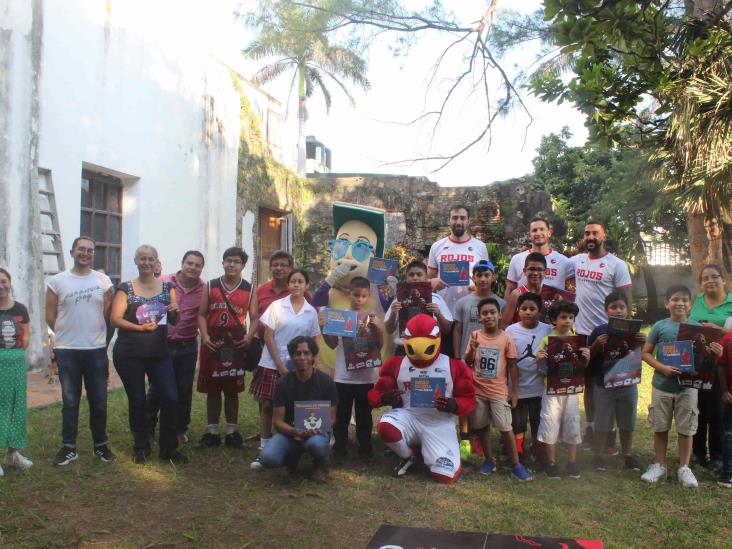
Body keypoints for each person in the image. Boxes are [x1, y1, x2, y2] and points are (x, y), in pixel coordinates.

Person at [369, 314, 476, 483]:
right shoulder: (396, 364)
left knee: (444, 476)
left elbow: (469, 399)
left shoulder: (453, 366)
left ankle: (425, 450)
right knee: (386, 426)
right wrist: (383, 398)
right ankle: (409, 456)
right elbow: (374, 395)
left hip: (439, 423)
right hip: (409, 417)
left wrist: (454, 405)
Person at [640, 284, 723, 488]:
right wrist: (662, 368)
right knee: (660, 426)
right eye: (675, 299)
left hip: (688, 388)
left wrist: (717, 353)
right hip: (662, 386)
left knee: (686, 428)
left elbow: (706, 359)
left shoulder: (698, 328)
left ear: (690, 304)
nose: (680, 303)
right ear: (666, 303)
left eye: (685, 300)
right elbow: (645, 353)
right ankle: (660, 465)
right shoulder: (660, 326)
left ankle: (684, 468)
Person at [110, 245, 185, 464]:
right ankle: (141, 446)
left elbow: (174, 320)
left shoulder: (167, 288)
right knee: (138, 399)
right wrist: (140, 328)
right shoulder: (126, 288)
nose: (146, 262)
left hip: (159, 353)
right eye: (142, 259)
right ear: (136, 261)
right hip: (129, 353)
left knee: (170, 397)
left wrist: (175, 312)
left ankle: (168, 449)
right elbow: (115, 319)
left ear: (156, 262)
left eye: (150, 259)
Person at [45, 236, 115, 466]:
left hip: (95, 350)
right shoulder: (57, 281)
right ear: (73, 251)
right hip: (68, 351)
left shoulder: (103, 281)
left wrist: (103, 343)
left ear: (93, 254)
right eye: (81, 249)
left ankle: (100, 446)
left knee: (99, 401)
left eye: (90, 250)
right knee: (70, 401)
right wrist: (66, 335)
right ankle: (69, 448)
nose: (86, 253)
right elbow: (50, 314)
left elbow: (109, 315)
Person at [250, 269, 322, 468]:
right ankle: (264, 446)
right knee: (267, 405)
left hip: (299, 367)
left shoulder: (311, 312)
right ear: (288, 285)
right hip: (272, 364)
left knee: (296, 407)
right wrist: (280, 366)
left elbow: (315, 339)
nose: (296, 285)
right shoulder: (276, 306)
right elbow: (268, 337)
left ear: (307, 285)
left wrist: (314, 362)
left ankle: (297, 444)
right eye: (292, 282)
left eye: (300, 282)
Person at [571, 221, 633, 450]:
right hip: (584, 334)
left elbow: (627, 298)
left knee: (612, 383)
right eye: (587, 233)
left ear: (603, 236)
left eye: (595, 233)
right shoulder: (576, 261)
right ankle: (590, 430)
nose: (590, 237)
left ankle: (611, 434)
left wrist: (626, 331)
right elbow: (552, 269)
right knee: (588, 385)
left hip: (611, 334)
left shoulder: (616, 264)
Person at [195, 247, 257, 450]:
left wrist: (249, 336)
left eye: (236, 261)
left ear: (243, 265)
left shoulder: (249, 289)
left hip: (235, 344)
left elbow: (255, 317)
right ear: (223, 263)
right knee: (212, 390)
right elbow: (201, 314)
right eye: (228, 260)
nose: (231, 264)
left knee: (232, 391)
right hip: (212, 344)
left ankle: (232, 432)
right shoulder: (211, 285)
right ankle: (212, 432)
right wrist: (204, 336)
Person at [464, 298, 532, 481]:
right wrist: (471, 349)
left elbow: (512, 366)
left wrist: (515, 391)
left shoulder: (506, 338)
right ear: (479, 317)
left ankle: (516, 464)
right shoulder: (476, 336)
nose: (489, 316)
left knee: (505, 427)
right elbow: (468, 361)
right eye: (484, 313)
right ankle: (489, 460)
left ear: (500, 315)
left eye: (492, 312)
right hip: (478, 391)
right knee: (481, 426)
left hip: (498, 392)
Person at [321, 276, 383, 462]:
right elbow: (332, 344)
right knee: (341, 416)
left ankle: (365, 449)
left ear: (368, 296)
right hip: (342, 377)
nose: (359, 299)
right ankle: (340, 448)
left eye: (363, 296)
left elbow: (378, 346)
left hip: (365, 378)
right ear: (349, 294)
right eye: (356, 295)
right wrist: (324, 327)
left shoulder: (372, 317)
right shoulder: (340, 317)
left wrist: (378, 329)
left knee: (364, 417)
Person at [259, 336, 338, 482]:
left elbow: (332, 418)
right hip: (290, 433)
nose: (302, 357)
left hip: (316, 433)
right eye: (298, 353)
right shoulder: (283, 383)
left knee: (317, 445)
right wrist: (295, 432)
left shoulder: (326, 382)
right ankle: (293, 456)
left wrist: (319, 428)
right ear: (292, 356)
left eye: (307, 353)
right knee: (267, 459)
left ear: (313, 356)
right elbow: (277, 421)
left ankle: (321, 464)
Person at [146, 251, 205, 445]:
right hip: (163, 345)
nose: (192, 267)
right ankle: (148, 428)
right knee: (156, 389)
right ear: (182, 263)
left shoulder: (204, 290)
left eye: (197, 265)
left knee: (184, 389)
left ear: (201, 269)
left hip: (187, 346)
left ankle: (180, 429)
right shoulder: (163, 282)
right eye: (189, 263)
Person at [587, 292, 645, 472]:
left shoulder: (634, 332)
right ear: (606, 311)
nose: (618, 311)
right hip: (603, 384)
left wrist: (642, 343)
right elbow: (587, 357)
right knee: (602, 422)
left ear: (628, 310)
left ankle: (627, 454)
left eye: (621, 307)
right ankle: (598, 455)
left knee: (627, 422)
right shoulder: (599, 331)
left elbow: (638, 356)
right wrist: (596, 344)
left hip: (628, 383)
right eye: (614, 307)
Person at [452, 259, 503, 460]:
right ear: (472, 277)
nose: (482, 279)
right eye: (478, 275)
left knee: (486, 401)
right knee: (464, 401)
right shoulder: (463, 302)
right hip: (466, 359)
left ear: (493, 277)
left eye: (486, 275)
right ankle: (464, 439)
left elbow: (503, 332)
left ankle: (481, 440)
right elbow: (457, 330)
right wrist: (457, 357)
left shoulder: (501, 303)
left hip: (489, 362)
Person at [535, 300, 590, 479]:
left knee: (573, 422)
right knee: (550, 422)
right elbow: (541, 367)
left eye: (571, 317)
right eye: (563, 317)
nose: (567, 321)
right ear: (554, 320)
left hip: (572, 390)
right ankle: (551, 462)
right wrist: (539, 358)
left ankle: (572, 462)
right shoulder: (546, 340)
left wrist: (587, 357)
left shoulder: (578, 341)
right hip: (551, 390)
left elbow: (582, 367)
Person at [689, 264, 732, 470]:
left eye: (715, 276)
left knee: (718, 411)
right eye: (705, 278)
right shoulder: (696, 301)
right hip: (698, 363)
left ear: (723, 279)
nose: (710, 281)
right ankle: (697, 453)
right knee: (697, 408)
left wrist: (719, 330)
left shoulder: (731, 302)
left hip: (722, 367)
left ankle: (717, 456)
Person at [505, 292, 552, 469]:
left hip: (539, 387)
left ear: (540, 311)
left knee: (538, 422)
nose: (528, 312)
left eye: (532, 309)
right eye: (524, 308)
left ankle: (537, 451)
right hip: (518, 389)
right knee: (518, 424)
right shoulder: (511, 331)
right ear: (518, 310)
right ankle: (519, 452)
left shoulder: (547, 330)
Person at [427, 205, 490, 316]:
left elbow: (487, 277)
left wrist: (479, 286)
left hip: (471, 310)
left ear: (468, 221)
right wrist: (432, 283)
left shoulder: (480, 247)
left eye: (462, 218)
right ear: (449, 221)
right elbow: (428, 280)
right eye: (455, 218)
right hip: (442, 311)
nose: (458, 222)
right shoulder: (436, 246)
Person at [0, 268, 33, 475]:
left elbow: (26, 336)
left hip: (17, 362)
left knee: (16, 406)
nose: (1, 285)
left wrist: (17, 354)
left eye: (4, 281)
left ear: (10, 283)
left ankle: (12, 454)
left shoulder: (20, 308)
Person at [384, 260, 453, 356]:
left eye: (419, 274)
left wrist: (438, 314)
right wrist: (393, 313)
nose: (415, 278)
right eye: (411, 275)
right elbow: (389, 330)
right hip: (404, 349)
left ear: (426, 277)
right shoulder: (398, 300)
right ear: (406, 278)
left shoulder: (437, 299)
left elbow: (447, 329)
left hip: (429, 349)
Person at [504, 217, 574, 300]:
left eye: (542, 229)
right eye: (534, 230)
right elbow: (509, 290)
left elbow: (575, 288)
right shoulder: (517, 259)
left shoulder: (563, 261)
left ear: (549, 232)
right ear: (529, 235)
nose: (538, 233)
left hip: (552, 311)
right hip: (526, 310)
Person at [501, 252, 547, 328]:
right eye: (531, 269)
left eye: (539, 269)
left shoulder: (549, 294)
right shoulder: (517, 294)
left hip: (543, 338)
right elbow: (504, 326)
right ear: (525, 271)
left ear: (545, 272)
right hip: (520, 338)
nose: (535, 273)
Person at [717, 329, 732, 487]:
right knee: (729, 434)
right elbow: (721, 366)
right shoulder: (728, 338)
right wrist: (725, 390)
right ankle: (727, 474)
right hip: (730, 398)